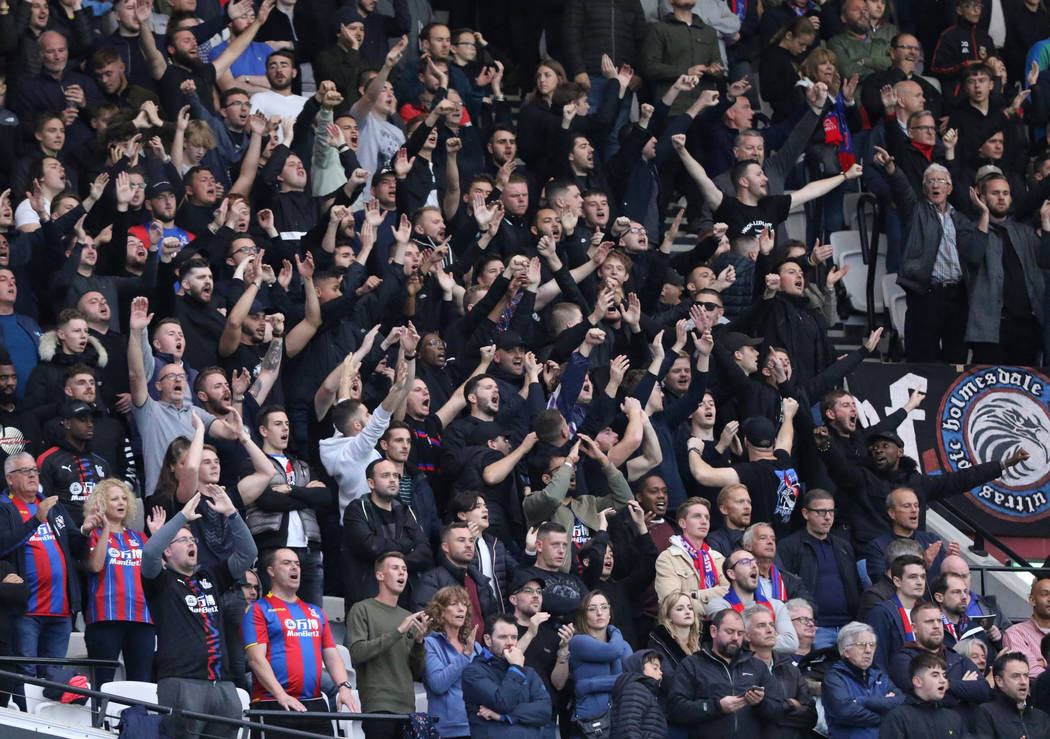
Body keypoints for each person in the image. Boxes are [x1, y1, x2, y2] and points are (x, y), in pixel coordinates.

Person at [142, 488, 258, 739]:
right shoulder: (159, 581)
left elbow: (248, 554)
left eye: (192, 539)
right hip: (181, 681)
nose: (191, 543)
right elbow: (150, 553)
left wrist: (231, 513)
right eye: (182, 540)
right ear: (168, 551)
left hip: (223, 684)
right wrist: (182, 517)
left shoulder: (211, 577)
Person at [242, 547, 359, 735]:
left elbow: (331, 654)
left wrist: (344, 687)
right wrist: (281, 695)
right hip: (272, 703)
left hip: (314, 703)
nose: (294, 568)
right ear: (271, 571)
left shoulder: (315, 612)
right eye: (286, 563)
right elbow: (256, 660)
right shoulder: (258, 609)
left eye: (297, 564)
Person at [0, 452, 82, 681]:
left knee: (55, 677)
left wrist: (87, 530)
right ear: (9, 479)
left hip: (61, 611)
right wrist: (37, 519)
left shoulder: (52, 505)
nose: (32, 475)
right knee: (26, 674)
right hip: (27, 611)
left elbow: (74, 545)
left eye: (34, 470)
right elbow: (3, 545)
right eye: (25, 471)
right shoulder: (4, 507)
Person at [667, 607, 787, 735]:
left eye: (740, 633)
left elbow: (778, 711)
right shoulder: (692, 665)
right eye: (730, 632)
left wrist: (760, 703)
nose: (735, 638)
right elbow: (676, 709)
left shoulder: (757, 666)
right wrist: (717, 707)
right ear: (713, 631)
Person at [348, 551, 429, 739]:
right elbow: (357, 652)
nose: (402, 573)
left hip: (408, 707)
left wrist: (419, 643)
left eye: (404, 569)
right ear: (380, 575)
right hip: (378, 706)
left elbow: (417, 671)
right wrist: (397, 632)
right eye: (395, 568)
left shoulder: (407, 616)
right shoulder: (362, 609)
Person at [81, 478, 154, 685]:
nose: (121, 502)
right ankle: (101, 719)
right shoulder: (91, 534)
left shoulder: (140, 537)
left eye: (124, 498)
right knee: (103, 681)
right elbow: (95, 566)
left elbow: (157, 573)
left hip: (142, 618)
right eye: (114, 499)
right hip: (105, 617)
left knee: (140, 682)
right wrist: (105, 529)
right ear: (102, 504)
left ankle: (137, 718)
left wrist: (157, 536)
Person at [342, 458, 432, 608]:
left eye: (395, 476)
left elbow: (425, 553)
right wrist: (406, 545)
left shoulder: (405, 511)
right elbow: (370, 546)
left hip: (405, 601)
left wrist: (393, 565)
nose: (392, 480)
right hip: (369, 600)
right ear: (371, 483)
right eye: (385, 476)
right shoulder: (357, 509)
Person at [778, 489, 861, 647]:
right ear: (805, 513)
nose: (828, 517)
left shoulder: (843, 546)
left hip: (849, 628)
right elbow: (785, 588)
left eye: (831, 511)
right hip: (815, 628)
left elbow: (855, 586)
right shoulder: (789, 546)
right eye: (821, 512)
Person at [886, 600, 989, 720]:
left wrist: (950, 684)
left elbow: (984, 691)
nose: (936, 626)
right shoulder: (903, 659)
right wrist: (964, 691)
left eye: (939, 621)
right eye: (929, 622)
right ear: (914, 628)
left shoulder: (957, 657)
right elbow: (920, 698)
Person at [461, 613, 554, 738]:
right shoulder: (473, 672)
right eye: (503, 637)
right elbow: (503, 702)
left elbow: (545, 711)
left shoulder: (528, 672)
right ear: (488, 640)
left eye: (514, 637)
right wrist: (515, 668)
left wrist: (503, 717)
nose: (510, 643)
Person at [742, 604, 817, 737]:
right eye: (761, 625)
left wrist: (770, 709)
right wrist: (791, 704)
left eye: (771, 624)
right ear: (747, 636)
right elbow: (746, 715)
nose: (770, 630)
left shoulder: (790, 669)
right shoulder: (740, 669)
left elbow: (811, 716)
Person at [706, 548, 799, 653]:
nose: (754, 565)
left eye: (755, 562)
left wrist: (753, 637)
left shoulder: (776, 605)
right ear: (732, 574)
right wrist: (771, 637)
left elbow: (791, 643)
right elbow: (733, 639)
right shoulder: (719, 605)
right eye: (745, 562)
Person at [822, 622, 903, 738]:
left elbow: (901, 703)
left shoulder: (880, 676)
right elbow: (845, 712)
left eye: (872, 644)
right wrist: (885, 715)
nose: (868, 650)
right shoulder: (835, 678)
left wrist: (864, 701)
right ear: (845, 651)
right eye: (861, 645)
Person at [423, 585, 483, 739]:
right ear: (441, 611)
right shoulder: (430, 643)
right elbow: (438, 684)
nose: (461, 609)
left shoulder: (475, 646)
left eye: (464, 605)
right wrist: (465, 655)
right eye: (454, 604)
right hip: (447, 730)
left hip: (477, 726)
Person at [568, 589, 632, 730]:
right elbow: (612, 652)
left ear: (610, 613)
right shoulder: (578, 642)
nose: (599, 612)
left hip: (620, 723)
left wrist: (589, 685)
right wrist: (615, 630)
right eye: (592, 609)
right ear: (584, 616)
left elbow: (632, 679)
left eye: (604, 607)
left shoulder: (622, 644)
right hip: (588, 724)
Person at [414, 521, 498, 627]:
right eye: (461, 540)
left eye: (471, 541)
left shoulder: (481, 582)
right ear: (445, 547)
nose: (468, 545)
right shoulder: (432, 579)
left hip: (481, 644)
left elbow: (493, 622)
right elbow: (425, 620)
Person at [654, 497, 728, 617]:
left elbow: (730, 592)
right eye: (697, 516)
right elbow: (672, 603)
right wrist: (714, 604)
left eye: (707, 517)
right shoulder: (668, 558)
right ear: (682, 523)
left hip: (717, 629)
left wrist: (695, 594)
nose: (704, 521)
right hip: (686, 631)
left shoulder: (717, 558)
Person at [878, 651, 967, 737]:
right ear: (917, 682)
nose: (943, 680)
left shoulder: (953, 718)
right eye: (935, 675)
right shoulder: (898, 718)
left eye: (944, 675)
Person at [865, 554, 927, 670]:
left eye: (923, 577)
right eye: (913, 577)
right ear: (897, 581)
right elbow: (878, 659)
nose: (920, 582)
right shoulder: (882, 612)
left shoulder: (928, 610)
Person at [975, 652, 1050, 739]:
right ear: (999, 681)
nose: (1023, 682)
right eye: (1016, 676)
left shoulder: (1041, 717)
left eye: (1026, 675)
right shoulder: (985, 713)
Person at [610, 650, 667, 739]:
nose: (661, 672)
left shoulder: (644, 691)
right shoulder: (635, 688)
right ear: (639, 668)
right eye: (655, 668)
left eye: (660, 668)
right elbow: (628, 727)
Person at [1003, 577, 1050, 679]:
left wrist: (1043, 662)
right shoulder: (1015, 633)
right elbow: (1029, 670)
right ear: (1032, 600)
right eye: (1045, 594)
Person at [648, 591, 701, 675]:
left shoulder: (703, 640)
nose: (687, 612)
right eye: (680, 609)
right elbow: (668, 678)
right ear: (668, 617)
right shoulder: (660, 642)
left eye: (690, 608)